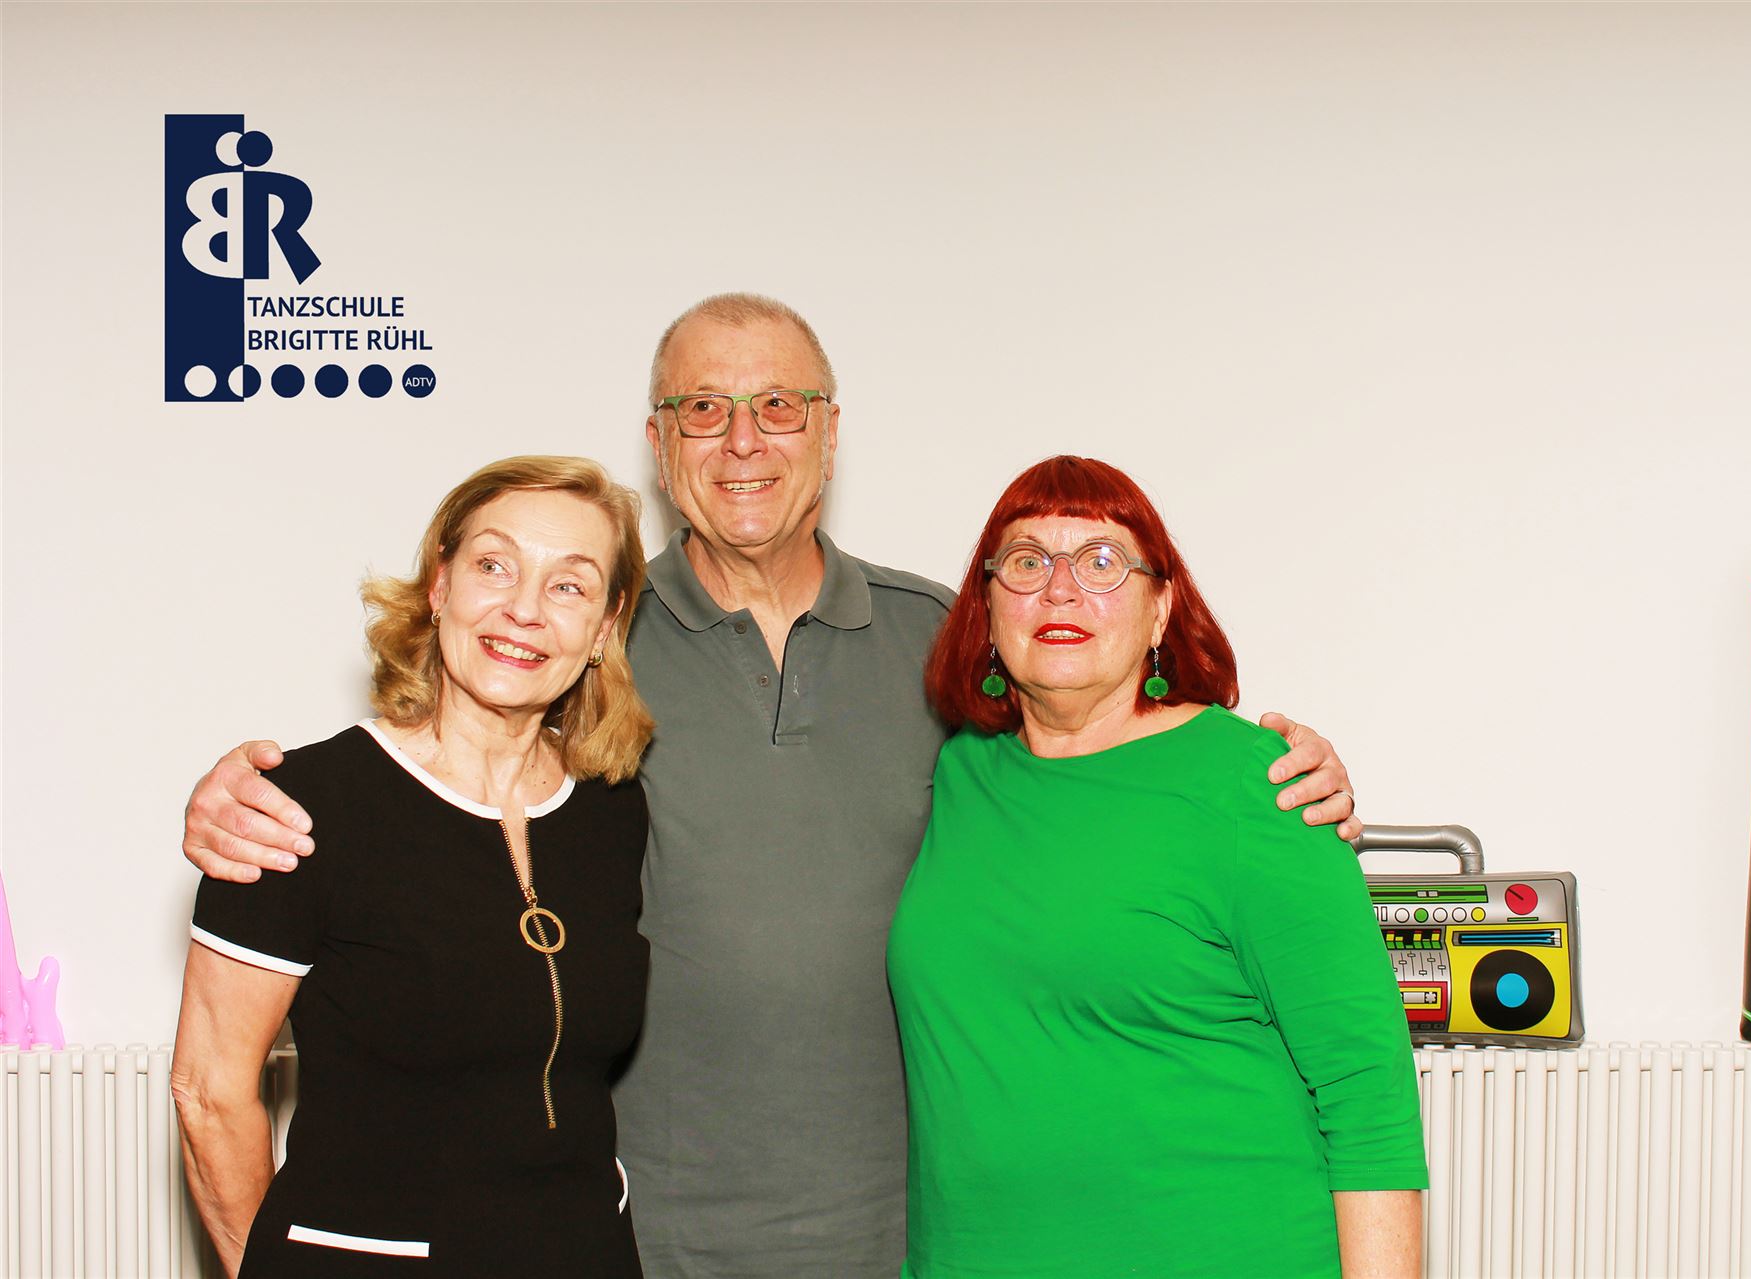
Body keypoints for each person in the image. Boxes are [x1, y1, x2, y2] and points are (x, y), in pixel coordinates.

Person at [179, 294, 1365, 1278]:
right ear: (659, 443)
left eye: (778, 406)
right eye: (703, 407)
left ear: (830, 434)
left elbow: (1093, 761)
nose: (741, 440)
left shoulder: (946, 641)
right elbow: (444, 781)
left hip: (902, 1236)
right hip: (643, 1239)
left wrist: (1280, 768)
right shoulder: (590, 638)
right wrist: (241, 793)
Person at [890, 455, 1426, 1278]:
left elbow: (1367, 1093)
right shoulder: (959, 772)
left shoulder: (1260, 785)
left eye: (1102, 561)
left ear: (1160, 610)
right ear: (986, 609)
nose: (1061, 590)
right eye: (1027, 561)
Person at [170, 457, 654, 1276]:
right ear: (439, 585)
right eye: (494, 565)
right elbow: (209, 1091)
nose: (524, 608)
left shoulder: (612, 808)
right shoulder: (293, 807)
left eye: (569, 586)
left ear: (605, 627)